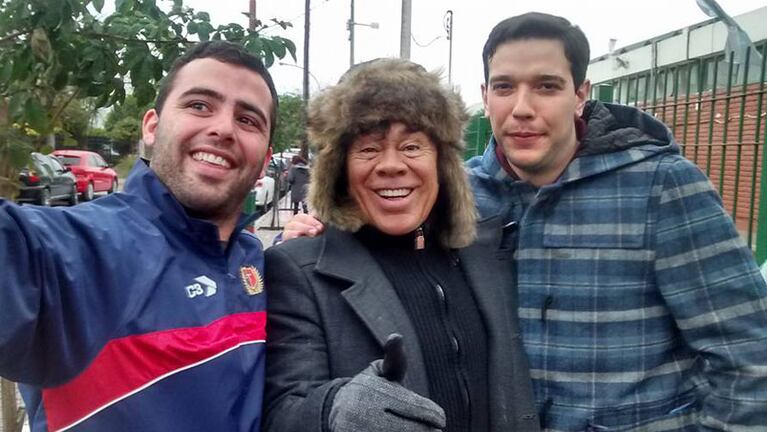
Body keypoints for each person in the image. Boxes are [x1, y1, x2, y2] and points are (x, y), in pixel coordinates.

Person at [282, 12, 767, 431]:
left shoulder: (661, 186)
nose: (522, 109)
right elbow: (373, 208)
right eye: (505, 87)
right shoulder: (462, 195)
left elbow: (748, 353)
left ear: (580, 94)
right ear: (484, 96)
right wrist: (322, 233)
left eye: (546, 87)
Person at [0, 41, 276, 432]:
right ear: (152, 127)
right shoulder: (82, 249)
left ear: (265, 159)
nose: (223, 128)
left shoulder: (258, 262)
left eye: (248, 120)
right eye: (199, 105)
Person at [262, 58, 539, 432]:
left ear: (441, 163)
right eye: (368, 149)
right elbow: (281, 410)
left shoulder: (490, 251)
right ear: (340, 168)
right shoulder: (299, 271)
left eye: (412, 146)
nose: (391, 165)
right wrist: (333, 410)